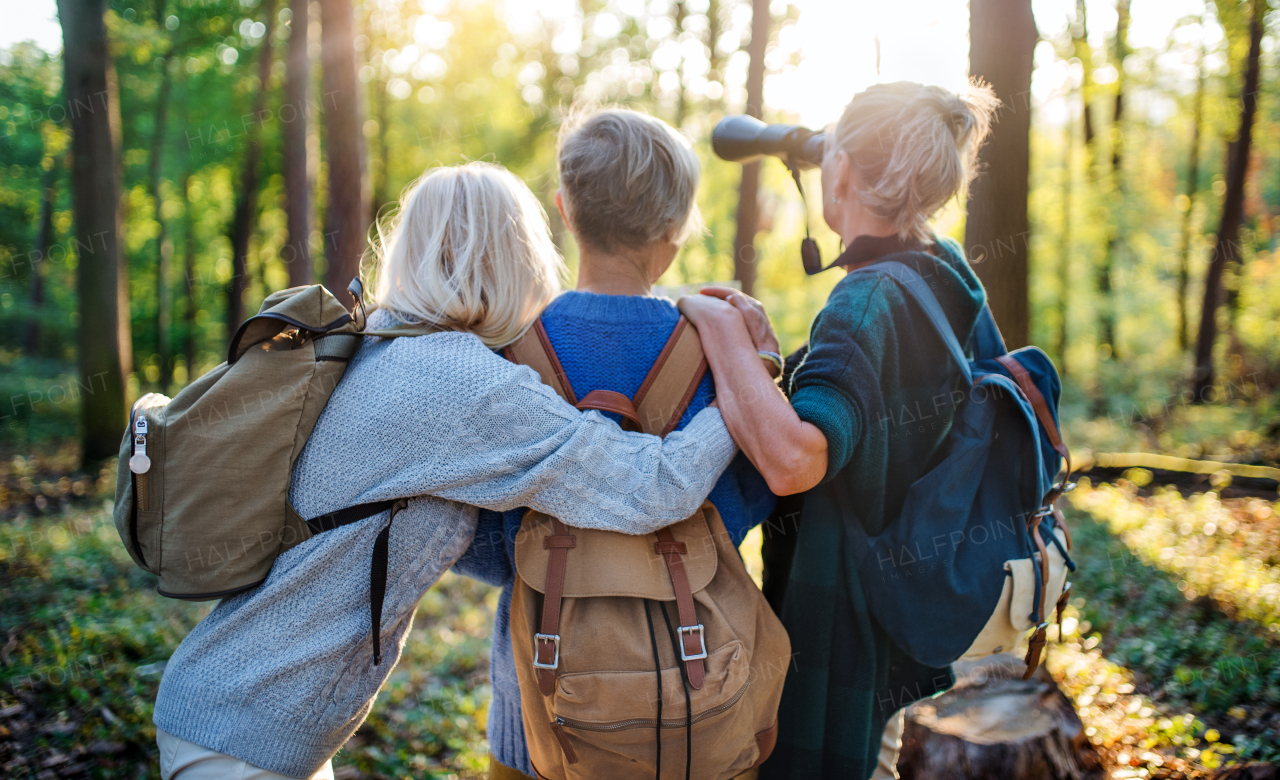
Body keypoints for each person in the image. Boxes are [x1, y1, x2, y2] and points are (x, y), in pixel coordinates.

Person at [152, 162, 742, 780]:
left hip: (237, 716)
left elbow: (456, 543)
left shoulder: (376, 341)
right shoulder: (464, 386)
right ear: (517, 255)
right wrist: (744, 380)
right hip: (248, 740)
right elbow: (652, 486)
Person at [679, 80, 998, 779]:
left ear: (844, 172)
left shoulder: (866, 297)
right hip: (897, 612)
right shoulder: (943, 275)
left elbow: (797, 460)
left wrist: (718, 328)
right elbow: (876, 413)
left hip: (842, 628)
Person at [450, 108, 778, 780]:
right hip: (696, 696)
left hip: (542, 698)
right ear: (676, 229)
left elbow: (472, 527)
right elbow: (747, 498)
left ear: (565, 210)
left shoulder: (505, 347)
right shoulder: (717, 351)